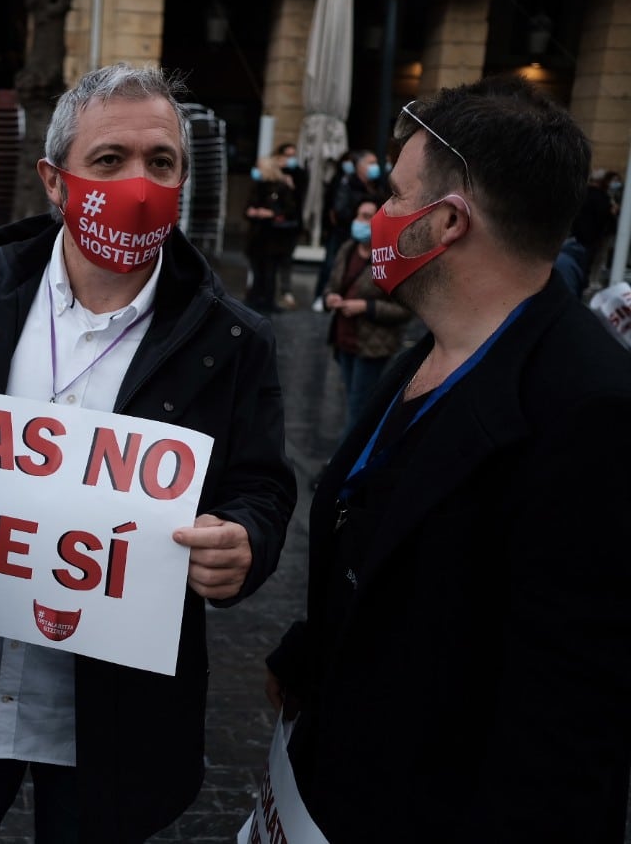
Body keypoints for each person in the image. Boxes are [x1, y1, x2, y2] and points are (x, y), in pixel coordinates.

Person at [0, 63, 296, 843]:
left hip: (112, 721)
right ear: (55, 179)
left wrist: (246, 541)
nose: (140, 184)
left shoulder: (234, 339)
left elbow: (262, 486)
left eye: (162, 162)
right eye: (110, 160)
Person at [265, 76, 631, 843]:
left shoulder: (593, 411)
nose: (378, 219)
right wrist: (310, 656)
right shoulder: (433, 345)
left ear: (448, 222)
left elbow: (564, 725)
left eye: (397, 197)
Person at [321, 198, 411, 436]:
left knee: (358, 407)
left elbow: (404, 310)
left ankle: (344, 464)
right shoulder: (347, 248)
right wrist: (330, 297)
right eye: (361, 215)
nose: (365, 222)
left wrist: (366, 307)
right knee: (352, 400)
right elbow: (332, 284)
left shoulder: (391, 257)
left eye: (371, 215)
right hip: (344, 339)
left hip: (372, 346)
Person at [313, 148, 387, 309]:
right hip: (343, 232)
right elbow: (339, 209)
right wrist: (359, 218)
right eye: (371, 163)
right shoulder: (346, 183)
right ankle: (322, 296)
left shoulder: (376, 186)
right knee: (332, 264)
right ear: (359, 166)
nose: (376, 167)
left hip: (367, 236)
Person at [243, 155, 300, 314]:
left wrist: (271, 213)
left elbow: (290, 211)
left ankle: (268, 301)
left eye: (259, 167)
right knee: (257, 270)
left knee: (270, 271)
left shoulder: (282, 188)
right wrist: (252, 212)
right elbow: (246, 208)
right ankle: (254, 298)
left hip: (274, 238)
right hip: (256, 236)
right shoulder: (257, 186)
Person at [275, 142, 308, 310]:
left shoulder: (299, 174)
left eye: (293, 155)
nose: (291, 159)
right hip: (273, 224)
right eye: (288, 155)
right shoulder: (274, 173)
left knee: (287, 258)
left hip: (291, 223)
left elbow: (299, 196)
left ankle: (285, 291)